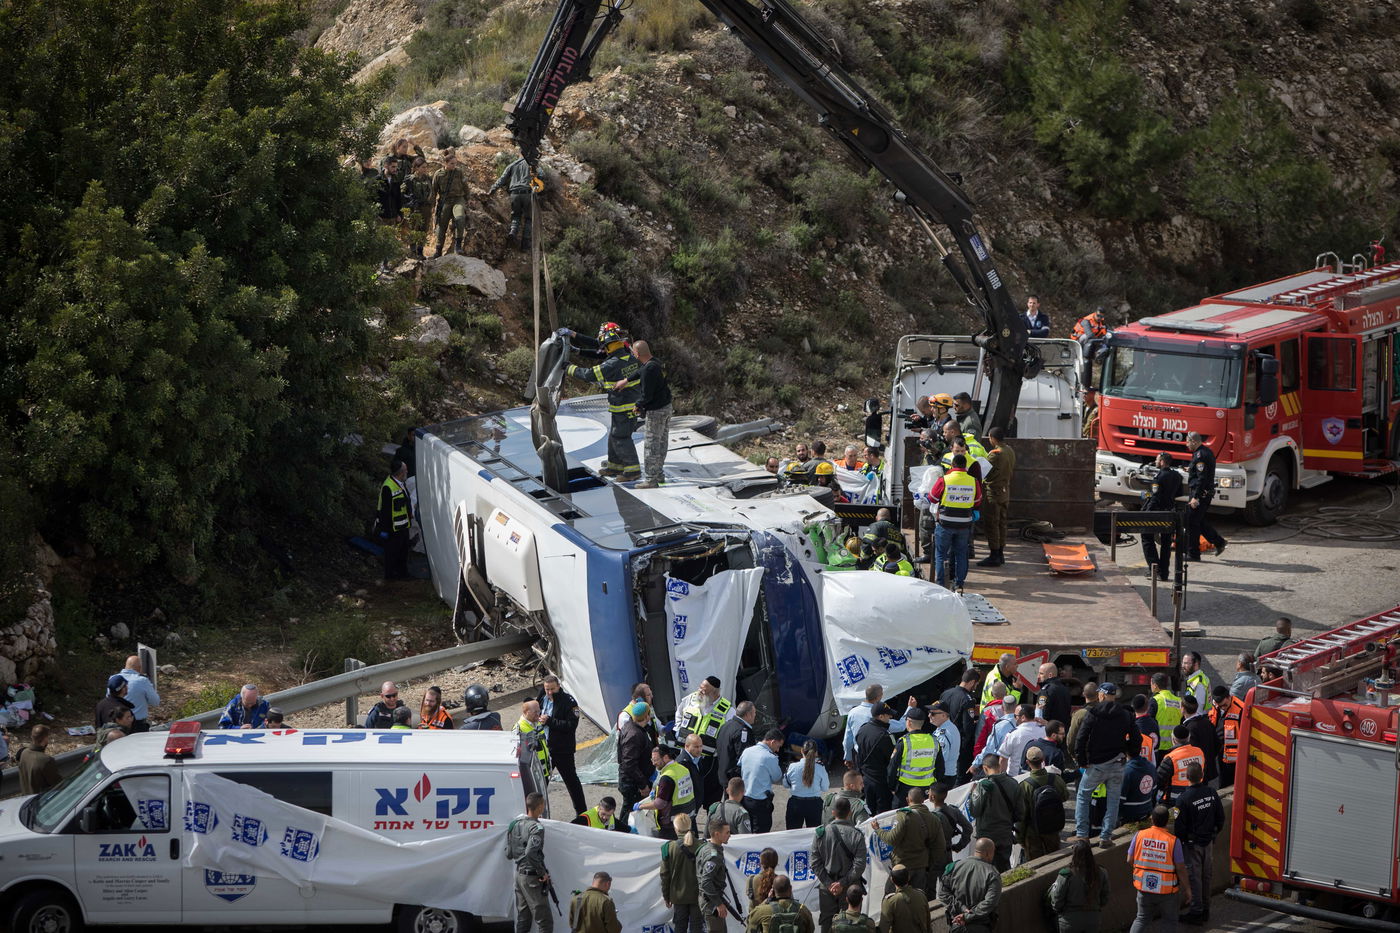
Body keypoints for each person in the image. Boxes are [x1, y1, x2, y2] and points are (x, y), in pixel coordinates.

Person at [565, 323, 643, 480]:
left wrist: (568, 368)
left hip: (624, 407)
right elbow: (598, 349)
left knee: (621, 437)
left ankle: (633, 471)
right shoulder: (629, 356)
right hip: (626, 405)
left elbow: (589, 375)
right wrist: (577, 345)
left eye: (604, 346)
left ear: (608, 345)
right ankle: (614, 466)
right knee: (614, 435)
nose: (603, 349)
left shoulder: (612, 364)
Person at [1073, 682, 1140, 848]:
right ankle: (1106, 837)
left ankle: (1082, 835)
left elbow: (1080, 739)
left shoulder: (1093, 713)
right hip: (1117, 763)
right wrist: (1128, 752)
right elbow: (1136, 738)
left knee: (1083, 796)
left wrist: (1082, 761)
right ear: (1114, 696)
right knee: (1113, 801)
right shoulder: (1125, 714)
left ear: (1101, 695)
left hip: (1096, 765)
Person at [1173, 762, 1223, 926]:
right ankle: (1205, 908)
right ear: (1202, 776)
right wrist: (1213, 834)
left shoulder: (1182, 799)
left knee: (1195, 878)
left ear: (1187, 777)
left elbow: (1178, 827)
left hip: (1192, 845)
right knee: (1206, 876)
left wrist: (1185, 841)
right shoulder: (1211, 792)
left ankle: (1196, 911)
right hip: (1208, 843)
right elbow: (1220, 818)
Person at [1126, 806, 1191, 933]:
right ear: (1167, 821)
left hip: (1144, 887)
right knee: (1169, 921)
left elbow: (1129, 859)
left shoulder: (1139, 835)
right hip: (1167, 892)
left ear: (1151, 819)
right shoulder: (1173, 841)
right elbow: (1180, 868)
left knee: (1141, 919)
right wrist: (1188, 888)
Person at [675, 675, 734, 808]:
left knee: (711, 798)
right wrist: (678, 728)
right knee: (687, 794)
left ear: (715, 693)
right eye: (700, 688)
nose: (700, 692)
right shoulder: (690, 699)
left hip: (710, 761)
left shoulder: (728, 711)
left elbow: (730, 734)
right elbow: (679, 713)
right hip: (687, 757)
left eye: (704, 690)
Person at [814, 797, 868, 933]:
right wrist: (842, 883)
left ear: (833, 812)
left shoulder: (821, 834)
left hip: (827, 888)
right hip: (850, 888)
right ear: (850, 813)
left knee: (826, 923)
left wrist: (828, 883)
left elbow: (815, 862)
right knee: (849, 925)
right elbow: (860, 865)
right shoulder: (856, 835)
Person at [930, 453, 981, 594]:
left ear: (952, 465)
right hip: (964, 525)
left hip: (945, 523)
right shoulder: (973, 481)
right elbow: (977, 502)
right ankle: (959, 584)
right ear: (965, 466)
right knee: (961, 554)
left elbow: (932, 498)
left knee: (941, 555)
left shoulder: (944, 479)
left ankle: (941, 584)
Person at [538, 675, 586, 816]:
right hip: (545, 748)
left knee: (571, 782)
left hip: (562, 750)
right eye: (547, 689)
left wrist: (550, 721)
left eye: (552, 689)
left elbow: (571, 725)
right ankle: (536, 812)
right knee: (540, 782)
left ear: (558, 686)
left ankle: (582, 813)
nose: (550, 692)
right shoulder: (542, 696)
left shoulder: (569, 702)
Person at [506, 792, 552, 933]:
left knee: (523, 918)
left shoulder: (515, 824)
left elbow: (508, 854)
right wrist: (542, 872)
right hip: (532, 878)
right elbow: (531, 852)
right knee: (545, 921)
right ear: (539, 807)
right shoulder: (536, 828)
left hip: (519, 875)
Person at [871, 790, 932, 895]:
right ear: (923, 800)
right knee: (918, 896)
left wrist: (878, 829)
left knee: (890, 896)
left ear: (908, 800)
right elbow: (939, 844)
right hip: (921, 866)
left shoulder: (903, 816)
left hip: (902, 867)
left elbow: (891, 839)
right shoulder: (932, 817)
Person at [967, 754, 1021, 871]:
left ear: (985, 768)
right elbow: (1020, 812)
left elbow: (974, 811)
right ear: (999, 766)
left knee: (985, 870)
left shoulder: (982, 787)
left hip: (986, 837)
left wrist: (973, 795)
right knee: (1004, 869)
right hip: (1005, 834)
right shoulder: (1013, 783)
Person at [631, 339, 672, 488]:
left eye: (633, 351)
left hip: (656, 411)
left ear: (637, 354)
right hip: (666, 407)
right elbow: (640, 371)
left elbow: (646, 396)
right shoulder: (655, 363)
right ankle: (659, 474)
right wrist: (626, 380)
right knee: (662, 442)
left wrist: (638, 405)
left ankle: (650, 479)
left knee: (651, 445)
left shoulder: (649, 370)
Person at [937, 838, 1002, 933]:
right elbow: (990, 902)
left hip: (956, 925)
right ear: (988, 853)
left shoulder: (954, 867)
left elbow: (942, 894)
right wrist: (967, 916)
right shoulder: (992, 874)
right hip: (980, 927)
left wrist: (961, 908)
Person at [1017, 746, 1068, 861]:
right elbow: (1065, 796)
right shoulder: (1056, 779)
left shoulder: (1024, 786)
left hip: (1033, 833)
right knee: (1055, 863)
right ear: (1043, 759)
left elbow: (1022, 816)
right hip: (1053, 828)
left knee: (1035, 866)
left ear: (1027, 762)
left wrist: (1020, 838)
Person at [1050, 840, 1111, 933]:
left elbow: (1057, 899)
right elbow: (1105, 897)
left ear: (1074, 854)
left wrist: (1059, 910)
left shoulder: (1066, 874)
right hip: (1093, 920)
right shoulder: (1102, 872)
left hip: (1069, 921)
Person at [1140, 452, 1183, 581]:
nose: (1155, 461)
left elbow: (1155, 497)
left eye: (1157, 460)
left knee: (1146, 537)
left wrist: (1147, 513)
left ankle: (1155, 569)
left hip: (1157, 513)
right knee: (1166, 543)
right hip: (1169, 512)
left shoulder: (1159, 477)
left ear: (1162, 461)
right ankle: (1164, 573)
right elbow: (1179, 493)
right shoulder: (1177, 476)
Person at [1184, 432, 1227, 561]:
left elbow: (1202, 478)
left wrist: (1195, 497)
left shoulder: (1199, 455)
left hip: (1200, 494)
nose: (1186, 444)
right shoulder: (1205, 452)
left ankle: (1193, 554)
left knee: (1192, 522)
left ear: (1194, 441)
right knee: (1198, 521)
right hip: (1203, 493)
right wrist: (1190, 469)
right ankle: (1219, 542)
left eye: (1187, 441)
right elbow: (1202, 473)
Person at [976, 427, 1015, 567]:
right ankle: (1000, 553)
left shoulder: (995, 454)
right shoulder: (1009, 450)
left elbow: (983, 471)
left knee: (992, 523)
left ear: (992, 438)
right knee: (1002, 523)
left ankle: (994, 555)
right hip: (1005, 491)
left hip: (993, 492)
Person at [661, 814, 704, 933]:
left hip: (678, 895)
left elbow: (665, 875)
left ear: (676, 829)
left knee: (680, 927)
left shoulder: (668, 847)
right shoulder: (703, 846)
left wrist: (666, 896)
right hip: (698, 895)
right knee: (697, 927)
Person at [888, 706, 938, 806]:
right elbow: (940, 767)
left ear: (909, 722)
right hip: (927, 788)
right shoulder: (934, 740)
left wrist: (892, 787)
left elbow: (892, 767)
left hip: (905, 789)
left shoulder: (904, 742)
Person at [617, 701, 654, 831]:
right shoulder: (635, 734)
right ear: (647, 716)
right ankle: (620, 834)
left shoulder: (631, 727)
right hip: (632, 784)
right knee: (629, 811)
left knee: (629, 809)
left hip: (632, 781)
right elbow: (629, 763)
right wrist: (642, 784)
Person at [739, 729, 785, 833]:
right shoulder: (770, 757)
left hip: (744, 798)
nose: (777, 750)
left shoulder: (747, 751)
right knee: (761, 833)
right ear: (772, 742)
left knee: (745, 831)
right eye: (778, 746)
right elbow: (777, 777)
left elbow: (740, 765)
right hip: (760, 803)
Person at [939, 670, 980, 782]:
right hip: (959, 743)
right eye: (976, 684)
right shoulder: (967, 699)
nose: (975, 687)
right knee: (959, 777)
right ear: (972, 682)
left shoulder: (945, 693)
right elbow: (967, 727)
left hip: (942, 738)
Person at [855, 703, 897, 815]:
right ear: (881, 716)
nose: (891, 717)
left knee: (869, 812)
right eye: (888, 715)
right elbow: (892, 762)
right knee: (883, 815)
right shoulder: (885, 736)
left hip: (866, 779)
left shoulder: (862, 729)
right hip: (881, 782)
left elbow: (859, 755)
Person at [429, 148, 471, 256]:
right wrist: (433, 205)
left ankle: (458, 245)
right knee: (441, 225)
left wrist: (468, 199)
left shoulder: (459, 172)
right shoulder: (438, 174)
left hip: (458, 199)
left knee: (460, 218)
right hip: (445, 201)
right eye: (452, 164)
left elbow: (465, 186)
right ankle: (438, 250)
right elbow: (433, 190)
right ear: (445, 163)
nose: (454, 166)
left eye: (455, 163)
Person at [697, 818, 735, 933]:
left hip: (712, 900)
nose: (730, 835)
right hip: (711, 903)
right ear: (717, 834)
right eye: (727, 832)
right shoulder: (713, 856)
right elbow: (706, 882)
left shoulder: (708, 848)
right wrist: (718, 904)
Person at [488, 155, 535, 246]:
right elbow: (541, 175)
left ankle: (513, 232)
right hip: (527, 194)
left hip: (514, 194)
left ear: (519, 155)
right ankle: (525, 245)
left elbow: (502, 179)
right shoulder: (532, 164)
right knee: (528, 218)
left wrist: (492, 190)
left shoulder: (512, 165)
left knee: (516, 216)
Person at [378, 458, 412, 580]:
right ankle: (390, 577)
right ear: (400, 473)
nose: (407, 472)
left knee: (403, 552)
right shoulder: (388, 487)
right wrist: (385, 530)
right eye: (406, 470)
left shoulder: (400, 483)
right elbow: (385, 510)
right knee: (392, 553)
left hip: (403, 525)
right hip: (393, 528)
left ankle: (403, 574)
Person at [1156, 726, 1204, 807]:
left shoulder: (1170, 758)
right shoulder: (1199, 752)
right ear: (1188, 738)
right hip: (1195, 795)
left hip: (1173, 801)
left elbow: (1158, 780)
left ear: (1173, 739)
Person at [749, 875, 815, 933]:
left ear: (773, 890)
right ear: (790, 888)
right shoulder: (803, 910)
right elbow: (811, 929)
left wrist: (767, 900)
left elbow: (750, 922)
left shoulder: (762, 910)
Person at [971, 694, 1018, 775]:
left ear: (1002, 708)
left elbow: (990, 748)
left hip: (1004, 766)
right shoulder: (1022, 722)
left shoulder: (999, 726)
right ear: (1016, 707)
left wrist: (976, 763)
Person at [1209, 686, 1245, 789]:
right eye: (1220, 706)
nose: (1223, 708)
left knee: (1232, 782)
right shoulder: (1216, 705)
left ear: (1229, 697)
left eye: (1225, 705)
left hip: (1234, 755)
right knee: (1222, 779)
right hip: (1221, 750)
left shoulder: (1240, 708)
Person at [1180, 695, 1219, 785]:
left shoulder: (1189, 728)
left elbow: (1190, 752)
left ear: (1183, 709)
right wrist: (1209, 757)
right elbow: (1217, 744)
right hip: (1207, 768)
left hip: (1196, 771)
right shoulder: (1207, 722)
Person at [717, 700, 756, 787]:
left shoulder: (725, 725)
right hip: (735, 780)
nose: (755, 715)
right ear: (748, 714)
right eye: (754, 713)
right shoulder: (742, 730)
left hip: (723, 774)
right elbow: (744, 757)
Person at [999, 704, 1045, 778]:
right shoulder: (1044, 730)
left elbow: (1003, 759)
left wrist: (1002, 779)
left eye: (1015, 716)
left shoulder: (1013, 734)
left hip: (1016, 777)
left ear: (1023, 717)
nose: (1015, 719)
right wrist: (1046, 723)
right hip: (1039, 776)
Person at [879, 866, 930, 933]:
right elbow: (928, 923)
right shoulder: (921, 895)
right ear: (908, 877)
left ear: (892, 880)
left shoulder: (890, 901)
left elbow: (883, 929)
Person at [401, 156, 434, 258]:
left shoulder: (428, 179)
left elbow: (432, 192)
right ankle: (412, 250)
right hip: (414, 207)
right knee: (413, 229)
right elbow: (402, 192)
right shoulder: (409, 179)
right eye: (423, 167)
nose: (425, 169)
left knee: (423, 230)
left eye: (426, 167)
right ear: (416, 168)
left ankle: (420, 251)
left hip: (425, 208)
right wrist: (408, 203)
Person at [516, 699, 553, 790]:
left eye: (539, 710)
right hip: (533, 774)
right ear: (526, 712)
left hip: (543, 772)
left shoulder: (537, 724)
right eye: (535, 712)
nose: (538, 714)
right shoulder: (519, 729)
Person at [930, 784, 973, 859]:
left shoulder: (932, 817)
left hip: (934, 857)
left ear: (932, 797)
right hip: (948, 854)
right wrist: (959, 846)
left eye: (928, 792)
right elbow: (968, 828)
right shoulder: (954, 811)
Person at [118, 655, 160, 733]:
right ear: (140, 668)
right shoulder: (142, 680)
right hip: (137, 725)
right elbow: (155, 702)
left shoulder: (113, 679)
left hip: (118, 724)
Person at [17, 724, 61, 795]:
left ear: (32, 737)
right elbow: (58, 784)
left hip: (26, 799)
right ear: (45, 738)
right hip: (41, 802)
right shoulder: (46, 760)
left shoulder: (23, 753)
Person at [927, 703, 961, 789]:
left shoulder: (944, 733)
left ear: (943, 715)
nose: (929, 715)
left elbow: (941, 758)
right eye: (929, 712)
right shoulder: (945, 728)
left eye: (933, 713)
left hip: (943, 776)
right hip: (946, 774)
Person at [1150, 672, 1182, 752]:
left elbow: (1149, 722)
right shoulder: (1178, 700)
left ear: (1155, 685)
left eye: (1151, 684)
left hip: (1159, 747)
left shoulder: (1155, 700)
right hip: (1175, 745)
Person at [1036, 662, 1072, 728]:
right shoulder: (1065, 689)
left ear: (1050, 675)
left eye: (1041, 673)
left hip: (1050, 730)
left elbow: (1042, 714)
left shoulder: (1046, 690)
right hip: (1063, 729)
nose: (1038, 676)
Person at [1130, 695, 1159, 765]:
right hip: (1153, 762)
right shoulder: (1154, 722)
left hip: (1139, 763)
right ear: (1147, 707)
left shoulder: (1134, 726)